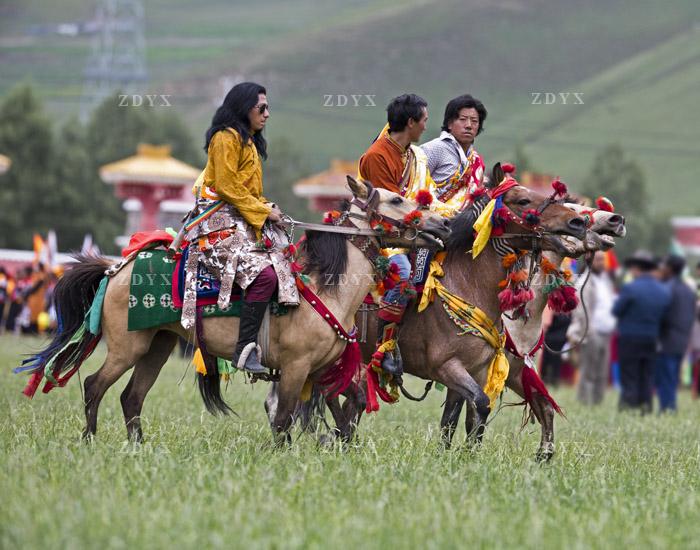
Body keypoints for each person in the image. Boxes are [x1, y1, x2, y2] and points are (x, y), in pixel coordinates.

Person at [183, 82, 299, 373]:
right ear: (244, 107)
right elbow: (225, 186)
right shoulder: (225, 138)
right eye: (262, 108)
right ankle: (243, 349)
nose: (267, 114)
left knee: (290, 263)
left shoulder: (248, 142)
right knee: (265, 277)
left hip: (242, 221)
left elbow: (249, 193)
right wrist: (263, 211)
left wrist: (270, 210)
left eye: (268, 108)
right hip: (216, 227)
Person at [358, 94, 453, 376]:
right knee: (403, 272)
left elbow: (425, 199)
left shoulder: (412, 154)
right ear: (410, 122)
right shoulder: (378, 155)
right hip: (381, 235)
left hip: (407, 232)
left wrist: (448, 216)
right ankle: (384, 347)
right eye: (423, 120)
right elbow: (390, 209)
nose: (426, 126)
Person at [613, 251, 670, 413]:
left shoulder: (630, 288)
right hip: (652, 336)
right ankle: (646, 405)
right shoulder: (662, 290)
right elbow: (666, 315)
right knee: (647, 372)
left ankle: (629, 404)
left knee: (629, 371)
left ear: (637, 269)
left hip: (630, 336)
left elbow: (617, 310)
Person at [420, 94, 486, 209]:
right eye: (463, 120)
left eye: (474, 121)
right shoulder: (433, 149)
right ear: (450, 123)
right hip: (431, 222)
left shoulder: (476, 160)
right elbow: (413, 187)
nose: (469, 126)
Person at [568, 251, 617, 404]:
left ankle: (597, 402)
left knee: (602, 372)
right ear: (589, 260)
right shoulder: (584, 282)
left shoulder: (605, 280)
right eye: (598, 260)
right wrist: (588, 332)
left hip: (606, 331)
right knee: (588, 371)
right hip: (591, 332)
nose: (601, 263)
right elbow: (581, 311)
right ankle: (584, 402)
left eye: (603, 260)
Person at [655, 255, 696, 412]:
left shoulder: (667, 288)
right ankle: (670, 406)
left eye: (664, 266)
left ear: (670, 269)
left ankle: (667, 408)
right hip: (682, 338)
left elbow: (662, 314)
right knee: (673, 377)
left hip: (666, 338)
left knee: (665, 376)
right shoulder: (688, 290)